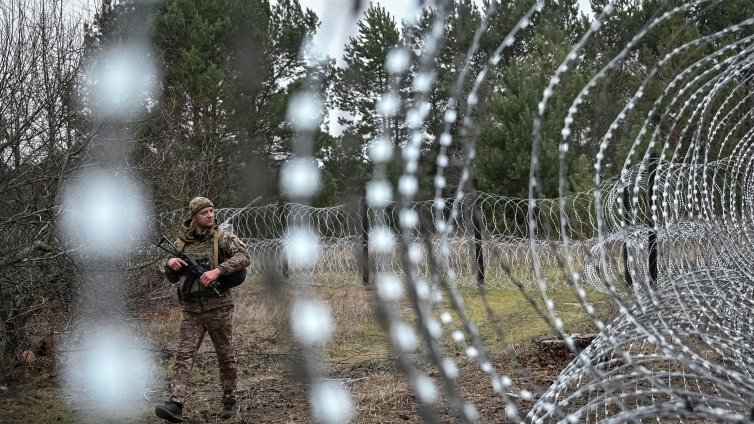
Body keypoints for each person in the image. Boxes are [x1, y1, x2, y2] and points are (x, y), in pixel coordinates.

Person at [155, 196, 251, 422]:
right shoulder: (182, 243)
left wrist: (218, 271)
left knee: (225, 355)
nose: (210, 215)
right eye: (204, 212)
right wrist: (169, 264)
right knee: (184, 355)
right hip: (191, 308)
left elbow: (244, 257)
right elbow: (171, 276)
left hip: (218, 306)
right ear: (193, 217)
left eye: (211, 211)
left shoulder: (222, 237)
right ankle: (175, 404)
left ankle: (230, 401)